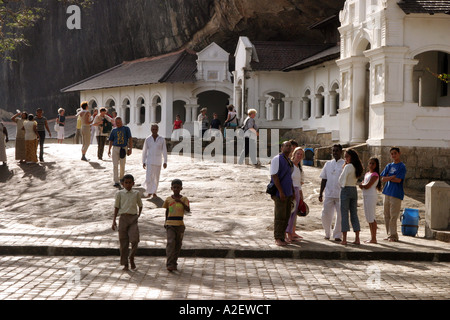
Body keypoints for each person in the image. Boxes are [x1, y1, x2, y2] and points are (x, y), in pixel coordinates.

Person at [112, 174, 143, 271]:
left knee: (135, 240)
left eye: (130, 183)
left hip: (133, 218)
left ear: (133, 183)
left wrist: (138, 215)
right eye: (126, 183)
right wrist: (114, 220)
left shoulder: (136, 193)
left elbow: (140, 205)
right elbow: (116, 207)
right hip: (123, 218)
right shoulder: (119, 193)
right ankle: (125, 263)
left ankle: (131, 257)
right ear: (122, 184)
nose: (128, 184)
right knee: (123, 242)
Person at [162, 179, 190, 272]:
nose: (176, 189)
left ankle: (174, 262)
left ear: (181, 188)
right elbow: (167, 210)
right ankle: (169, 263)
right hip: (170, 224)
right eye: (174, 187)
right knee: (170, 243)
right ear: (171, 188)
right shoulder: (168, 199)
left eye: (178, 187)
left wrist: (180, 202)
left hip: (180, 224)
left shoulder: (184, 199)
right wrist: (165, 222)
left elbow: (188, 209)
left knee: (178, 244)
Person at [270, 141, 294, 246]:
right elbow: (275, 176)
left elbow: (289, 177)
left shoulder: (289, 160)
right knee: (279, 216)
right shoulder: (277, 159)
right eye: (286, 146)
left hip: (288, 192)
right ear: (281, 147)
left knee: (286, 215)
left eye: (290, 146)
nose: (288, 148)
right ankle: (278, 237)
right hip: (280, 192)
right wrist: (280, 191)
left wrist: (292, 190)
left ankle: (282, 236)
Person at [319, 144, 345, 241]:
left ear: (341, 152)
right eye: (333, 151)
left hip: (340, 194)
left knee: (340, 216)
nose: (335, 153)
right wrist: (320, 193)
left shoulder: (345, 164)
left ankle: (337, 235)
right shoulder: (328, 164)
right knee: (325, 214)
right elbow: (324, 179)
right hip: (329, 194)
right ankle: (327, 232)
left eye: (337, 150)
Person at [380, 147, 406, 242]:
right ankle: (389, 234)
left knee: (393, 215)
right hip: (387, 192)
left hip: (396, 193)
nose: (393, 155)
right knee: (386, 214)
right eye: (392, 154)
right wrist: (391, 177)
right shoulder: (389, 166)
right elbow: (383, 178)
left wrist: (388, 178)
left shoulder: (402, 166)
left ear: (399, 153)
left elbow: (398, 180)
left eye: (395, 153)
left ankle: (394, 235)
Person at [338, 149, 364, 245]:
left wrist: (342, 186)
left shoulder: (348, 166)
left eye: (347, 156)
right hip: (354, 189)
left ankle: (344, 239)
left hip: (346, 189)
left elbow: (341, 180)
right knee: (354, 214)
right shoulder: (357, 167)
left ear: (351, 157)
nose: (345, 159)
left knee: (344, 214)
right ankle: (357, 238)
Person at [359, 157, 382, 244]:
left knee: (371, 216)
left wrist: (362, 185)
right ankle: (372, 237)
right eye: (370, 163)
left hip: (371, 196)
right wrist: (362, 185)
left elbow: (367, 185)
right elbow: (363, 184)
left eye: (373, 163)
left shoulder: (375, 175)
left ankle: (374, 238)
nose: (371, 165)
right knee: (368, 216)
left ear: (376, 165)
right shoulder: (367, 174)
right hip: (366, 195)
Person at [142, 124, 168, 198]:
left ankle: (154, 192)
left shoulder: (162, 139)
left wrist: (165, 161)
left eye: (155, 129)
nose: (154, 131)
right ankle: (149, 191)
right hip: (149, 161)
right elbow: (144, 151)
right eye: (153, 129)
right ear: (151, 130)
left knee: (156, 177)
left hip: (158, 161)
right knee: (148, 177)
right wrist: (143, 161)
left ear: (158, 130)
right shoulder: (148, 139)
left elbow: (164, 151)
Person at [286, 147, 305, 242]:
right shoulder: (290, 165)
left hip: (297, 191)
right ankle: (286, 234)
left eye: (301, 154)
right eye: (298, 153)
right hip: (290, 190)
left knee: (293, 214)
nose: (299, 156)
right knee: (288, 213)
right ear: (294, 154)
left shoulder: (299, 167)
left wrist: (300, 194)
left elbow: (299, 182)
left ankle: (290, 234)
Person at [108, 117, 133, 188]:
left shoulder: (126, 129)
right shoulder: (114, 130)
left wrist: (130, 148)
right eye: (117, 123)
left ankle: (122, 179)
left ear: (121, 122)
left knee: (122, 164)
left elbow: (130, 138)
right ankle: (116, 181)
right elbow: (111, 140)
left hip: (123, 148)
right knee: (115, 165)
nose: (118, 124)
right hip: (115, 148)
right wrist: (109, 149)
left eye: (119, 122)